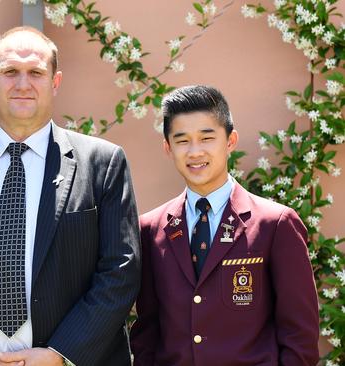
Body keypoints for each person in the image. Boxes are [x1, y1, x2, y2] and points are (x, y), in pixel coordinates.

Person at [0, 26, 140, 366]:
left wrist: (59, 355)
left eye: (36, 72)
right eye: (10, 72)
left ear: (55, 81)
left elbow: (120, 269)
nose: (22, 84)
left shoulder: (102, 163)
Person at [130, 85, 320, 365]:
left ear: (230, 141)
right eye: (182, 141)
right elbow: (147, 333)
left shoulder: (275, 224)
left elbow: (300, 336)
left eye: (207, 138)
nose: (195, 152)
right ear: (168, 148)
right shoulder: (150, 229)